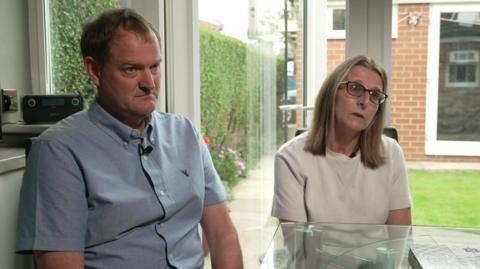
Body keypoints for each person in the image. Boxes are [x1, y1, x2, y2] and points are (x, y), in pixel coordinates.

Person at [16, 8, 243, 269]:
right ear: (94, 71)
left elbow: (223, 236)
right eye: (131, 69)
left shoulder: (186, 135)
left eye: (155, 67)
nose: (150, 83)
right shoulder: (58, 151)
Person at [271, 55, 412, 225]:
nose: (365, 101)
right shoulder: (290, 157)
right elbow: (296, 244)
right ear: (331, 93)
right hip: (315, 253)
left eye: (374, 94)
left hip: (374, 253)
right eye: (355, 88)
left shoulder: (391, 152)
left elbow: (400, 239)